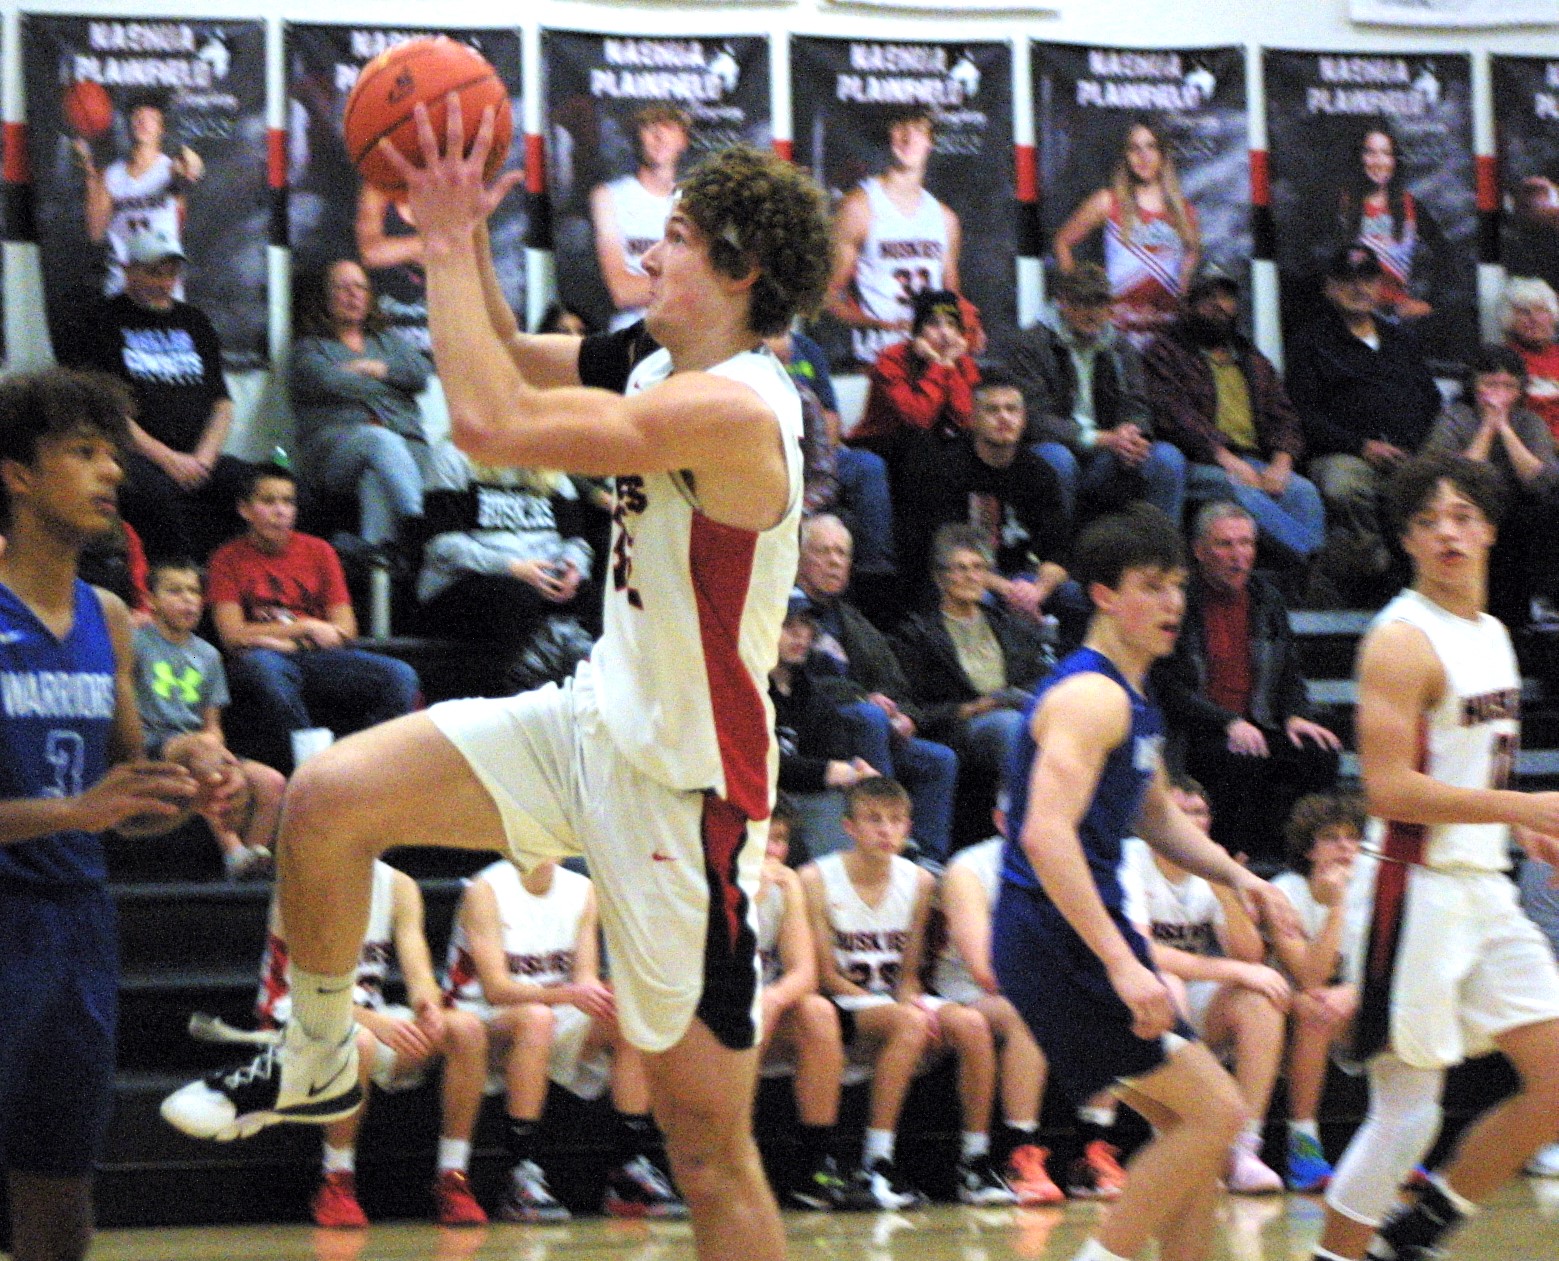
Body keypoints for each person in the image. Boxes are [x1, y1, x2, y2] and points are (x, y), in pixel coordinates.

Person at [160, 126, 834, 1261]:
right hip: (588, 721)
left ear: (740, 270)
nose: (644, 253)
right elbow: (508, 355)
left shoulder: (740, 410)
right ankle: (318, 1050)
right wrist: (464, 232)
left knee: (709, 1150)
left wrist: (439, 239)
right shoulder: (656, 358)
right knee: (327, 799)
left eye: (671, 238)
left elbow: (488, 422)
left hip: (687, 794)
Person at [992, 504, 1301, 1261]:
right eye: (1150, 586)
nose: (1172, 603)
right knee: (1218, 1114)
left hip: (1076, 934)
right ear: (1103, 594)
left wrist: (1241, 877)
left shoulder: (1133, 697)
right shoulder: (1090, 696)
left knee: (1190, 1127)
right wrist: (1123, 962)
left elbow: (1156, 815)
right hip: (1058, 936)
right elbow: (1044, 834)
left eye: (1176, 586)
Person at [1309, 453, 1559, 1261]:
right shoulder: (1400, 640)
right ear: (1407, 539)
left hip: (1481, 884)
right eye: (1426, 520)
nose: (1446, 531)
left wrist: (1516, 828)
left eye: (1461, 516)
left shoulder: (1491, 633)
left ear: (1487, 529)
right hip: (1407, 889)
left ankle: (1412, 1239)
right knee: (1406, 1114)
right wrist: (1519, 807)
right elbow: (1387, 789)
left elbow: (1468, 762)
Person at [0, 367, 220, 1261]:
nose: (112, 471)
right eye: (84, 453)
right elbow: (86, 805)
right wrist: (74, 810)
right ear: (18, 474)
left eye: (113, 453)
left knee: (60, 1198)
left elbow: (123, 802)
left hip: (78, 926)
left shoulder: (111, 617)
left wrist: (183, 787)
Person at [801, 777, 1015, 1209]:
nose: (886, 830)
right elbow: (825, 976)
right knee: (910, 1022)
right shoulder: (815, 878)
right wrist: (899, 1010)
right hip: (842, 999)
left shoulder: (919, 881)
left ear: (908, 827)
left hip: (893, 1000)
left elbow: (911, 973)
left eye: (896, 821)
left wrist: (908, 1001)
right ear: (849, 827)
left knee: (971, 1024)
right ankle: (876, 1161)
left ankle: (974, 1162)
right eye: (874, 820)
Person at [444, 856, 686, 1222]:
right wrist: (570, 995)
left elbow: (584, 978)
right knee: (537, 1019)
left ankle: (629, 1167)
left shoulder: (581, 889)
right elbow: (496, 990)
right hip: (479, 1017)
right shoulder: (486, 889)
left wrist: (605, 993)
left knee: (629, 1012)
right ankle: (519, 1172)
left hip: (549, 1009)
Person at [253, 858, 490, 1228]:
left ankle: (453, 1178)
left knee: (467, 1029)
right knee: (358, 1040)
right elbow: (307, 995)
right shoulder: (302, 881)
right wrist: (376, 1023)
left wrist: (427, 1008)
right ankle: (336, 1181)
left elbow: (420, 976)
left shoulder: (399, 885)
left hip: (365, 1017)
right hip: (291, 1021)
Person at [1119, 776, 1292, 1194]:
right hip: (1125, 1001)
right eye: (1180, 812)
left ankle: (1244, 1150)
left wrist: (1224, 887)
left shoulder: (1213, 867)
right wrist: (1233, 971)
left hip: (1188, 996)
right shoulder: (1128, 860)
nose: (1192, 822)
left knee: (1260, 998)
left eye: (1199, 812)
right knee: (1168, 985)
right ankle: (1178, 1143)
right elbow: (1142, 953)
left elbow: (1249, 954)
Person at [1154, 502, 1342, 864]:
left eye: (1246, 544)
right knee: (1237, 756)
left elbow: (1289, 672)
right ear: (1199, 551)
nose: (1238, 555)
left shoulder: (1266, 599)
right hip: (1197, 729)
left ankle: (1300, 858)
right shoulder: (1181, 602)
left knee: (1319, 751)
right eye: (1225, 544)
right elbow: (1169, 687)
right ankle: (1233, 858)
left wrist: (1295, 716)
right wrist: (1227, 721)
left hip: (1259, 722)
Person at [205, 464, 421, 774]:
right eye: (268, 501)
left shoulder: (319, 551)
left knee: (400, 675)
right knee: (264, 667)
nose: (280, 511)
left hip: (315, 656)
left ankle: (363, 765)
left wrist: (293, 644)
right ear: (245, 509)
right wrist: (306, 626)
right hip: (263, 659)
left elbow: (345, 629)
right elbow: (232, 634)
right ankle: (313, 768)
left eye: (288, 501)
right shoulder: (226, 558)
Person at [60, 227, 248, 562]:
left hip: (198, 455)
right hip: (134, 454)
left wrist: (204, 460)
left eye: (171, 273)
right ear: (128, 270)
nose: (164, 283)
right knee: (156, 495)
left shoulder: (195, 321)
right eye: (153, 273)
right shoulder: (101, 321)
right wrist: (168, 459)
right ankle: (174, 583)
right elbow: (105, 409)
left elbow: (222, 403)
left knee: (256, 486)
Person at [793, 516, 957, 858]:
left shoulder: (852, 620)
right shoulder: (787, 614)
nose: (835, 561)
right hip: (817, 727)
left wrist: (905, 715)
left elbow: (895, 683)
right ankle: (887, 834)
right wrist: (862, 698)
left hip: (869, 728)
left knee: (939, 759)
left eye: (842, 553)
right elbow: (799, 679)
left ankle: (928, 861)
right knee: (870, 716)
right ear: (799, 557)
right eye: (823, 552)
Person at [1285, 246, 1442, 594]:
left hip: (1407, 453)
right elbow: (1302, 414)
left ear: (1380, 286)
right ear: (1329, 287)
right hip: (1344, 455)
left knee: (1437, 490)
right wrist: (1362, 446)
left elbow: (1429, 400)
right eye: (1347, 279)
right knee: (1343, 486)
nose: (1359, 287)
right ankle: (1369, 565)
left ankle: (1423, 582)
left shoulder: (1401, 341)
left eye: (1368, 279)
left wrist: (1410, 447)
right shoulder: (1309, 343)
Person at [1144, 266, 1325, 566]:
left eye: (1226, 297)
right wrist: (1227, 459)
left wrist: (1281, 463)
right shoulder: (1165, 352)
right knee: (1238, 489)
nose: (1219, 305)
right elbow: (1175, 415)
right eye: (1208, 297)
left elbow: (1283, 414)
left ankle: (1303, 580)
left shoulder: (1250, 357)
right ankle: (1314, 560)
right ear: (1189, 304)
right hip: (1197, 462)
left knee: (1303, 492)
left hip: (1254, 459)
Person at [931, 804, 1066, 1206]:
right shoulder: (969, 869)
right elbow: (984, 969)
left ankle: (1098, 1150)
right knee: (1031, 1013)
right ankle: (1019, 1154)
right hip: (965, 990)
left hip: (1034, 986)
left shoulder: (1065, 864)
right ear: (1001, 820)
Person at [133, 557, 285, 880]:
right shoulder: (136, 643)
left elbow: (212, 725)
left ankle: (249, 866)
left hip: (199, 744)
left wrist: (219, 752)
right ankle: (233, 850)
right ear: (151, 601)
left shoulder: (208, 654)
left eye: (193, 591)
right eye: (175, 591)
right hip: (153, 742)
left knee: (271, 782)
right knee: (201, 752)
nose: (188, 599)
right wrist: (206, 748)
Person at [999, 262, 1186, 524]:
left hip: (1108, 453)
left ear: (1109, 308)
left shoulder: (1120, 347)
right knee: (1058, 460)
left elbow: (1137, 405)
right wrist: (1102, 439)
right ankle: (1061, 548)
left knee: (1167, 458)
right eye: (1082, 303)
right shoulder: (1031, 345)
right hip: (1056, 448)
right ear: (1062, 303)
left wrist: (1133, 436)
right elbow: (1033, 418)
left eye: (1099, 304)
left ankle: (1163, 546)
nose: (1091, 313)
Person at [891, 526, 1056, 820]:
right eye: (961, 568)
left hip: (1016, 709)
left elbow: (1039, 676)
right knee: (1011, 727)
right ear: (940, 577)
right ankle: (1025, 823)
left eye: (978, 568)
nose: (971, 576)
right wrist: (972, 708)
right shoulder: (918, 635)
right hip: (963, 728)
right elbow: (914, 709)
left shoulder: (1006, 625)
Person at [892, 370, 1071, 620]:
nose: (1004, 417)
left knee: (1073, 595)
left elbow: (1059, 551)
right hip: (966, 577)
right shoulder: (945, 470)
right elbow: (944, 554)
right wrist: (1010, 590)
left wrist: (1037, 592)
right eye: (992, 410)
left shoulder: (1039, 472)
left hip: (1023, 579)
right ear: (973, 419)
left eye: (1012, 409)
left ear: (1023, 419)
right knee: (978, 599)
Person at [750, 800, 853, 1210]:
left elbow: (804, 973)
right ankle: (732, 1156)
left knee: (818, 1012)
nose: (771, 850)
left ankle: (815, 1163)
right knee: (746, 1011)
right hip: (704, 1014)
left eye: (779, 839)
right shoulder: (703, 881)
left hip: (762, 1013)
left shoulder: (786, 885)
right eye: (762, 838)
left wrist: (773, 998)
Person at [289, 260, 433, 554]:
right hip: (335, 452)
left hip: (406, 444)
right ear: (325, 297)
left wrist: (374, 368)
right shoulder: (309, 348)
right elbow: (330, 382)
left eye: (360, 287)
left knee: (377, 476)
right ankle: (422, 530)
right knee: (379, 440)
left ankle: (377, 560)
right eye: (342, 288)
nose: (353, 295)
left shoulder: (386, 341)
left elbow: (420, 374)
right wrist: (393, 383)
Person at [415, 438, 594, 671]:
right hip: (464, 582)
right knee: (517, 597)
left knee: (597, 596)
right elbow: (442, 545)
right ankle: (517, 680)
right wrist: (511, 567)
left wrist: (573, 567)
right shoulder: (453, 455)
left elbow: (575, 540)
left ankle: (591, 678)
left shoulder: (549, 466)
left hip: (543, 579)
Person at [1266, 791, 1367, 1194]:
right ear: (1309, 849)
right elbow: (1309, 977)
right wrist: (1338, 905)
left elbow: (1391, 972)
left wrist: (1354, 993)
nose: (1345, 847)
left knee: (1403, 1005)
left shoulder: (1374, 890)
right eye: (1331, 837)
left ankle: (1394, 1142)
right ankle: (1303, 1145)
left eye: (1353, 837)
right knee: (1313, 1005)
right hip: (1285, 1016)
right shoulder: (1285, 892)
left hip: (1346, 1009)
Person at [1422, 345, 1559, 629]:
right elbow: (1455, 482)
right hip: (1466, 510)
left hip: (1521, 510)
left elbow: (1541, 482)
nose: (1499, 394)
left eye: (1508, 386)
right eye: (1490, 384)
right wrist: (1487, 427)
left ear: (1520, 391)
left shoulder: (1530, 422)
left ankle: (1541, 607)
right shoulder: (1455, 418)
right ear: (1474, 386)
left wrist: (1505, 430)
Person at [827, 104, 963, 367]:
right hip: (876, 360)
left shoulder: (945, 218)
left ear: (930, 142)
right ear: (887, 137)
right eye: (900, 129)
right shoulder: (859, 208)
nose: (908, 138)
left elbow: (953, 301)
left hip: (932, 360)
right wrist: (885, 325)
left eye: (919, 130)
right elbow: (828, 297)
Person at [1054, 119, 1200, 346]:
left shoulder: (1183, 210)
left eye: (1151, 147)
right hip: (1116, 334)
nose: (1143, 156)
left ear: (1163, 154)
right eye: (1134, 148)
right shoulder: (1108, 201)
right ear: (1126, 156)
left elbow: (1193, 251)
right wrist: (1080, 297)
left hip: (1164, 334)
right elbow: (1062, 241)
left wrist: (1180, 289)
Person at [74, 89, 204, 298]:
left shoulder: (171, 169)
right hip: (121, 284)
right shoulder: (111, 174)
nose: (143, 123)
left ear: (161, 128)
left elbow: (191, 171)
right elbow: (96, 234)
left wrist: (190, 163)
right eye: (137, 118)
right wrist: (89, 172)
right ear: (129, 125)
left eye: (151, 119)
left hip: (162, 286)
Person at [589, 105, 691, 332]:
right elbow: (622, 291)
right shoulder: (609, 196)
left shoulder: (696, 203)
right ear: (637, 137)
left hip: (685, 336)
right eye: (649, 127)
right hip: (631, 335)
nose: (659, 136)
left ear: (683, 139)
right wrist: (691, 288)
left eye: (668, 127)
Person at [851, 289, 980, 458]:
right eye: (933, 324)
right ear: (917, 332)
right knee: (921, 441)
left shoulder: (962, 361)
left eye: (951, 324)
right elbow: (918, 419)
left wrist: (948, 365)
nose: (945, 333)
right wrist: (939, 366)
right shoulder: (891, 359)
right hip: (880, 443)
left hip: (933, 446)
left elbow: (968, 419)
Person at [1337, 123, 1437, 323]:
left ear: (1395, 160)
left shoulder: (1410, 205)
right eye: (1370, 152)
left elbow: (1445, 257)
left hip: (1393, 321)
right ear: (1360, 157)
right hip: (1347, 318)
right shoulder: (1342, 203)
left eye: (1386, 153)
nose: (1379, 161)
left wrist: (1429, 303)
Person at [1500, 276, 1559, 443]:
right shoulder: (1502, 360)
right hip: (1533, 445)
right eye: (1524, 312)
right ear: (1510, 319)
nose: (1534, 319)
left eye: (1542, 311)